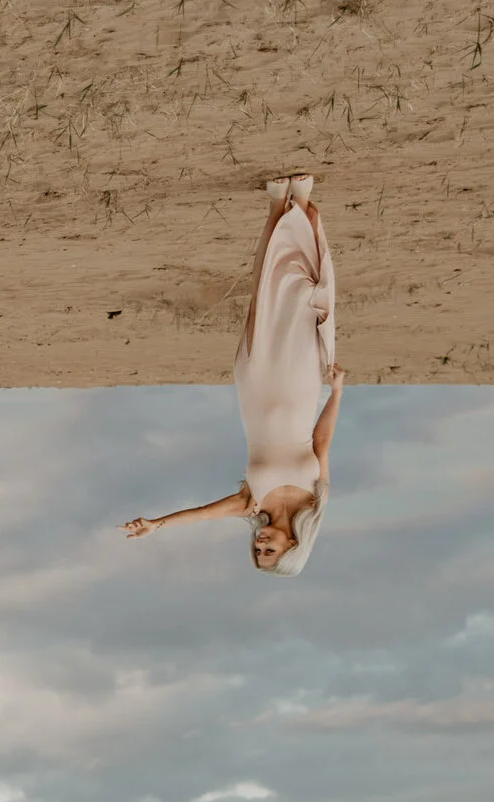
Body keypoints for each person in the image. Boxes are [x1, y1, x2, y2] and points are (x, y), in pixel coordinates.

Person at [123, 175, 343, 575]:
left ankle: (277, 209)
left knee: (264, 302)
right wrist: (337, 392)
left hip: (255, 388)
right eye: (270, 552)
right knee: (300, 299)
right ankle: (304, 204)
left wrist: (157, 524)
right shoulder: (314, 499)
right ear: (293, 545)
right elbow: (321, 442)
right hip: (300, 386)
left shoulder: (251, 505)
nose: (261, 547)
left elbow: (202, 515)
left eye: (258, 553)